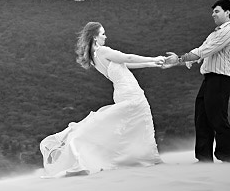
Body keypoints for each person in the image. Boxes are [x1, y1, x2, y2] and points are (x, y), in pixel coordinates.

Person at [40, 22, 165, 177]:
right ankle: (146, 158)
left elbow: (125, 64)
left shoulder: (94, 57)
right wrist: (155, 57)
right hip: (130, 91)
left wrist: (152, 63)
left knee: (131, 124)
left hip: (121, 91)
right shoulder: (104, 51)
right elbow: (128, 57)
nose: (105, 36)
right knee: (140, 121)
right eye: (103, 34)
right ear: (95, 37)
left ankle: (141, 157)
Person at [163, 0, 230, 163]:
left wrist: (179, 59)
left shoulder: (229, 31)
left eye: (217, 11)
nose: (213, 14)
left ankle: (228, 159)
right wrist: (178, 62)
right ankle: (204, 159)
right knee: (202, 119)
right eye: (212, 12)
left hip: (220, 80)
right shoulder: (215, 33)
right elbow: (199, 55)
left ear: (227, 12)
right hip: (209, 80)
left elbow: (203, 51)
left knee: (218, 119)